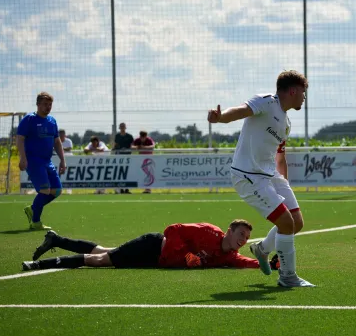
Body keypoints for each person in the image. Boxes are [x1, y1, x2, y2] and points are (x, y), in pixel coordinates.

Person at [207, 70, 314, 288]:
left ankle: (262, 250)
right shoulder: (266, 102)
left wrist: (283, 184)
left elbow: (280, 157)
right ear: (293, 90)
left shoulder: (286, 123)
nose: (304, 97)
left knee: (296, 222)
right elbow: (240, 111)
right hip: (247, 176)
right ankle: (287, 277)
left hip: (270, 175)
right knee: (285, 222)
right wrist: (220, 118)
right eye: (303, 92)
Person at [21, 219, 279, 271]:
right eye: (241, 234)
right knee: (101, 261)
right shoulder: (209, 232)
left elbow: (250, 262)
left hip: (154, 262)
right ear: (229, 230)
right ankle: (37, 265)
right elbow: (172, 229)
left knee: (104, 253)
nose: (243, 240)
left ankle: (57, 240)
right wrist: (188, 254)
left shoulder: (229, 256)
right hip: (153, 246)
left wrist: (272, 264)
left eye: (246, 238)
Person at [17, 91, 66, 230]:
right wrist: (23, 158)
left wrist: (63, 160)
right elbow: (20, 139)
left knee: (56, 191)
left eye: (50, 104)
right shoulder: (29, 119)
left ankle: (32, 209)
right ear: (38, 104)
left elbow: (57, 142)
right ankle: (35, 222)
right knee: (44, 190)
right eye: (45, 104)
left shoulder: (52, 121)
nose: (48, 107)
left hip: (47, 161)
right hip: (33, 161)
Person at [113, 122, 134, 194]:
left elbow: (132, 146)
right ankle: (120, 189)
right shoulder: (117, 136)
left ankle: (127, 189)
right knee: (120, 173)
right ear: (119, 128)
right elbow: (115, 145)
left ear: (125, 127)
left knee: (127, 173)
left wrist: (127, 149)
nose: (122, 128)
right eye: (121, 127)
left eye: (123, 126)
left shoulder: (129, 136)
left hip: (127, 157)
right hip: (119, 157)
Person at [59, 129, 73, 194]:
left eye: (62, 134)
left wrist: (60, 149)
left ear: (65, 135)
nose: (61, 136)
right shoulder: (56, 141)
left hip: (69, 160)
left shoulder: (68, 141)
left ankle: (69, 190)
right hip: (58, 160)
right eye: (60, 134)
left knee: (69, 175)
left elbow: (69, 148)